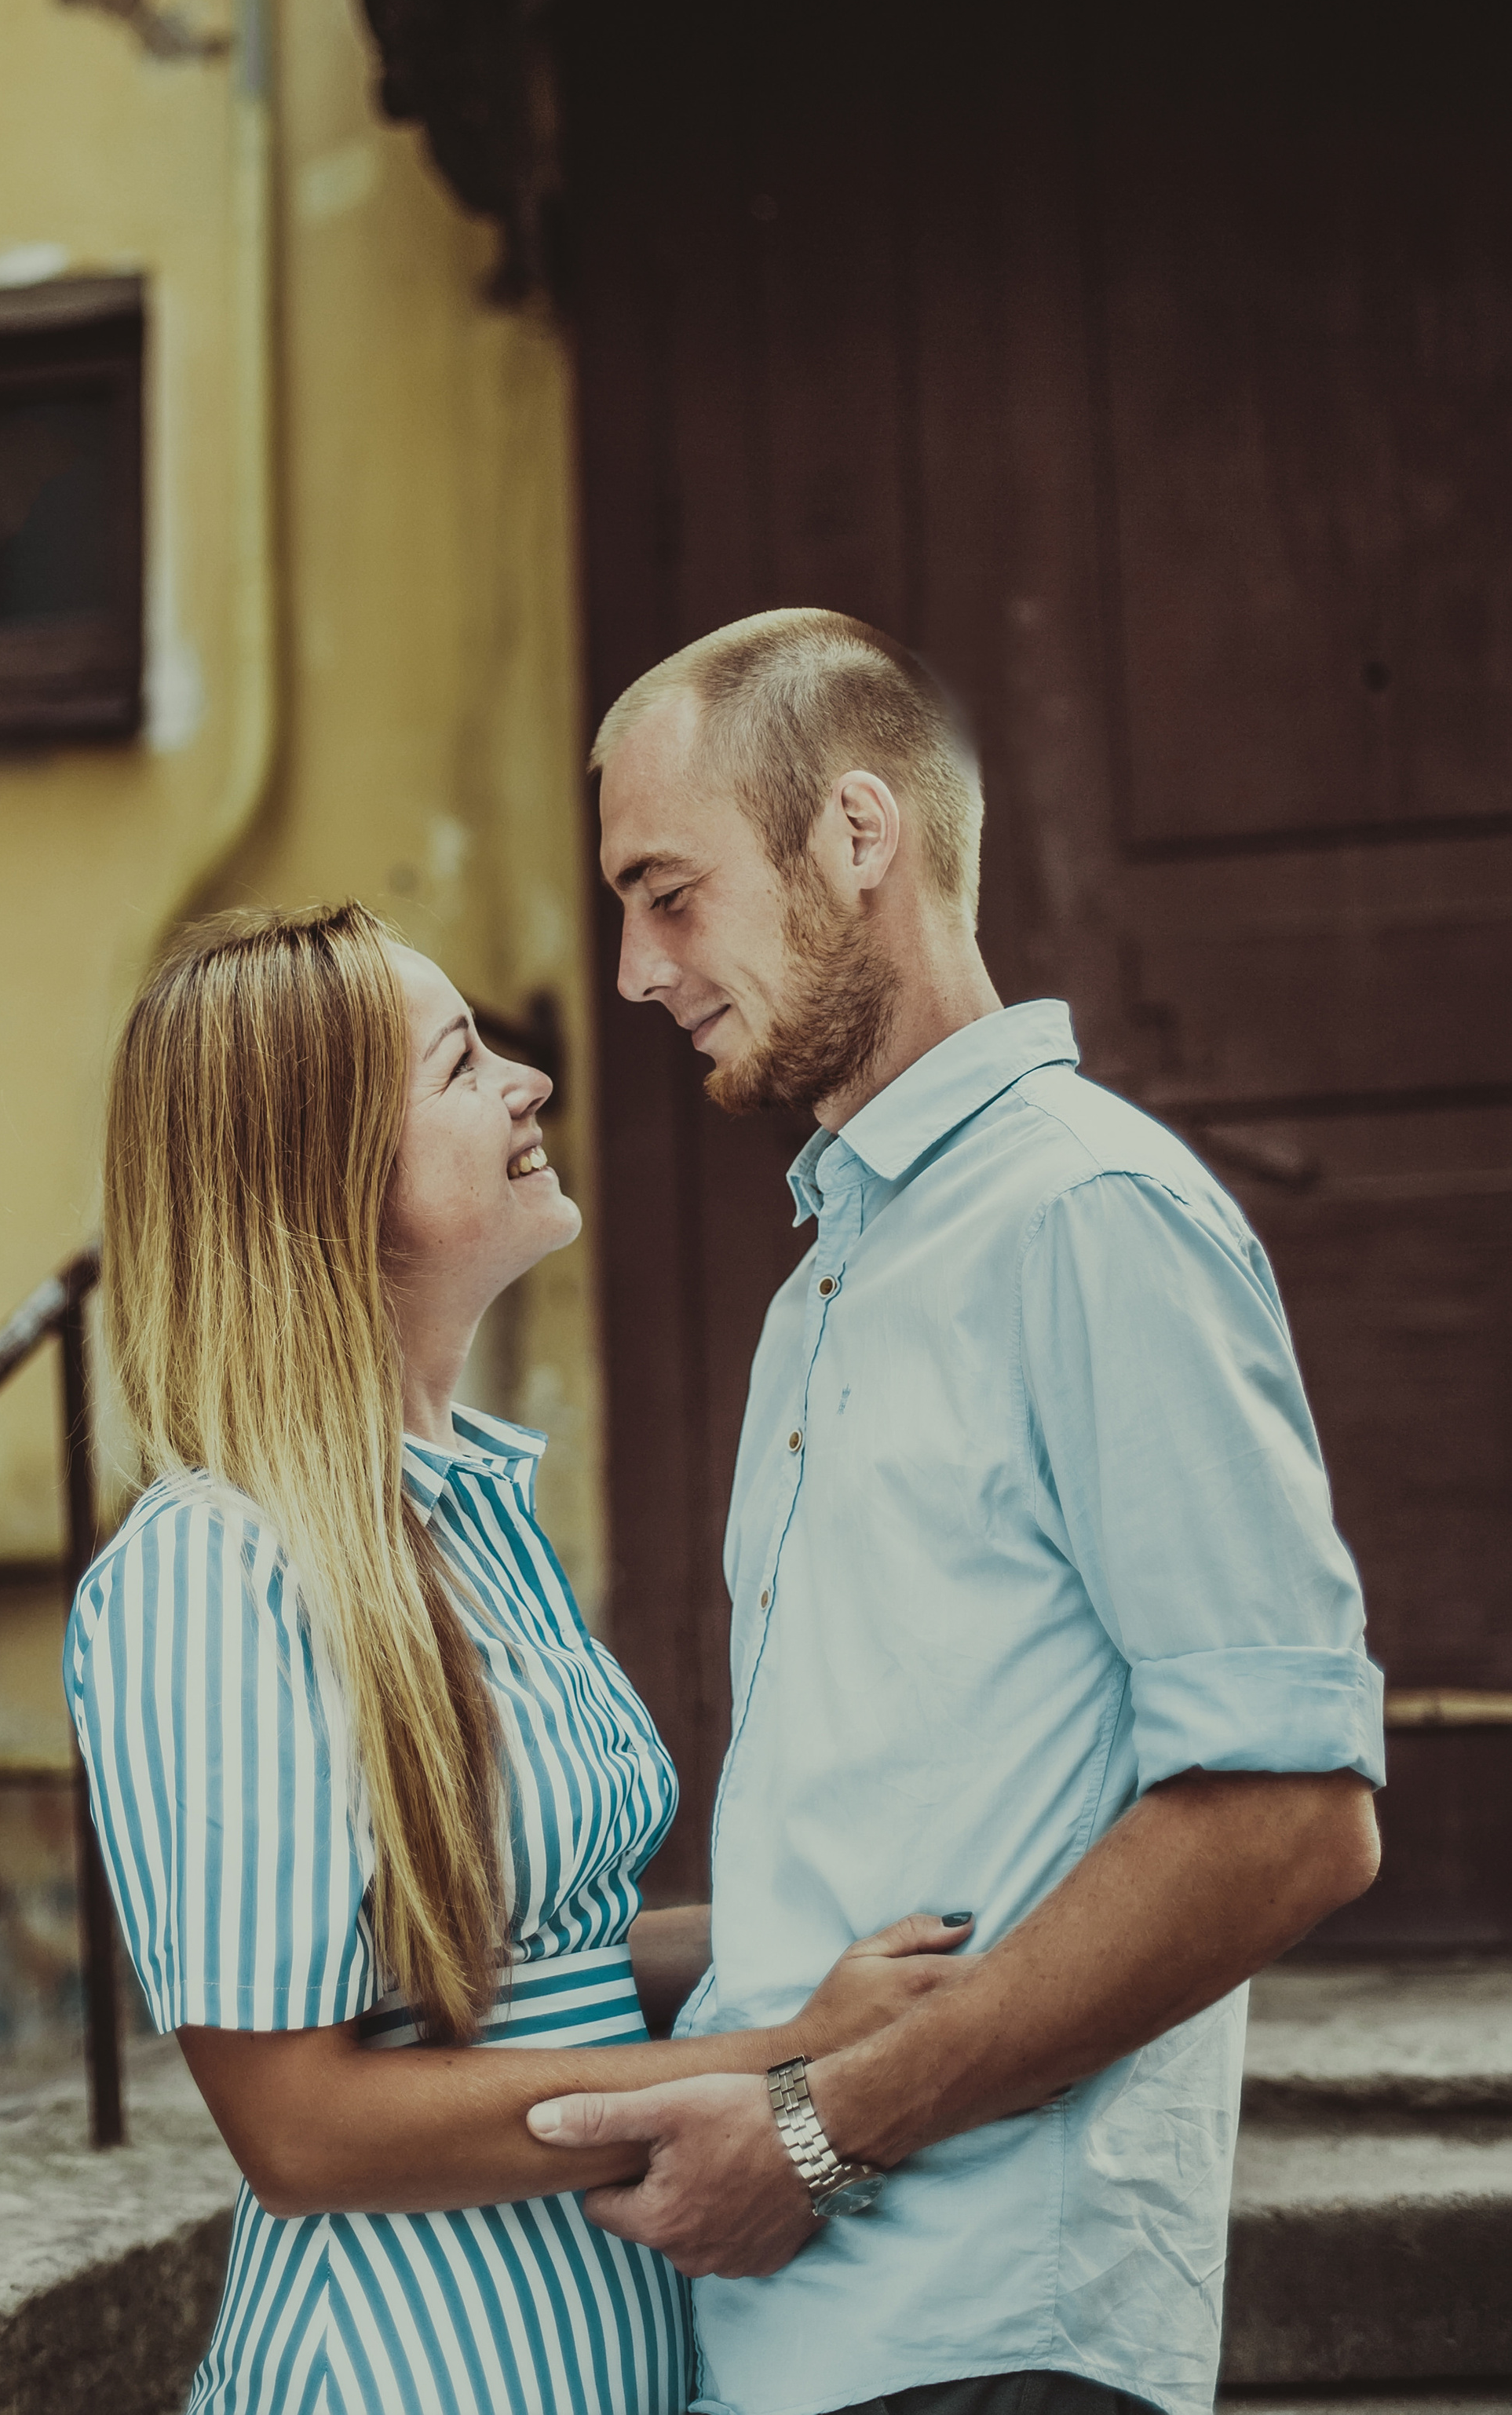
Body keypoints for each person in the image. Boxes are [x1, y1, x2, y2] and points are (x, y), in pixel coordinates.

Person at [527, 608, 1385, 2415]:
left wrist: (818, 2131)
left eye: (667, 894)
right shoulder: (825, 1285)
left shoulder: (1085, 1215)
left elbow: (1287, 1815)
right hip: (782, 2348)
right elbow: (886, 1851)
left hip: (993, 2341)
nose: (631, 970)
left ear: (855, 835)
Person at [69, 900, 969, 2415]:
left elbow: (552, 1967)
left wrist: (841, 1942)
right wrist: (787, 2060)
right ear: (325, 1180)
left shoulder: (469, 1518)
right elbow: (302, 2131)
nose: (530, 1080)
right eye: (460, 1064)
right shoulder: (212, 1569)